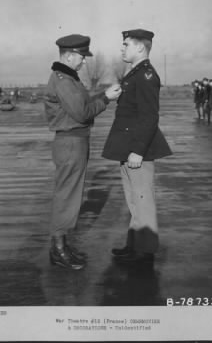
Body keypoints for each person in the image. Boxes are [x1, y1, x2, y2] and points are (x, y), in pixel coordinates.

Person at [44, 34, 121, 270]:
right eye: (81, 56)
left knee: (69, 195)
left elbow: (82, 104)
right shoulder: (64, 80)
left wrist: (101, 96)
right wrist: (106, 99)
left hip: (74, 141)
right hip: (71, 142)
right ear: (68, 56)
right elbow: (82, 113)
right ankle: (58, 249)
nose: (84, 61)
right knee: (66, 196)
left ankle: (61, 246)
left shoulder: (68, 78)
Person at [102, 29, 172, 265]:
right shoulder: (135, 74)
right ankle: (134, 246)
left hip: (137, 151)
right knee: (134, 200)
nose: (122, 49)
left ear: (140, 47)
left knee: (143, 200)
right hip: (128, 148)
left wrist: (138, 151)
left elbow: (149, 116)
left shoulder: (146, 76)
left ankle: (145, 252)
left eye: (126, 44)